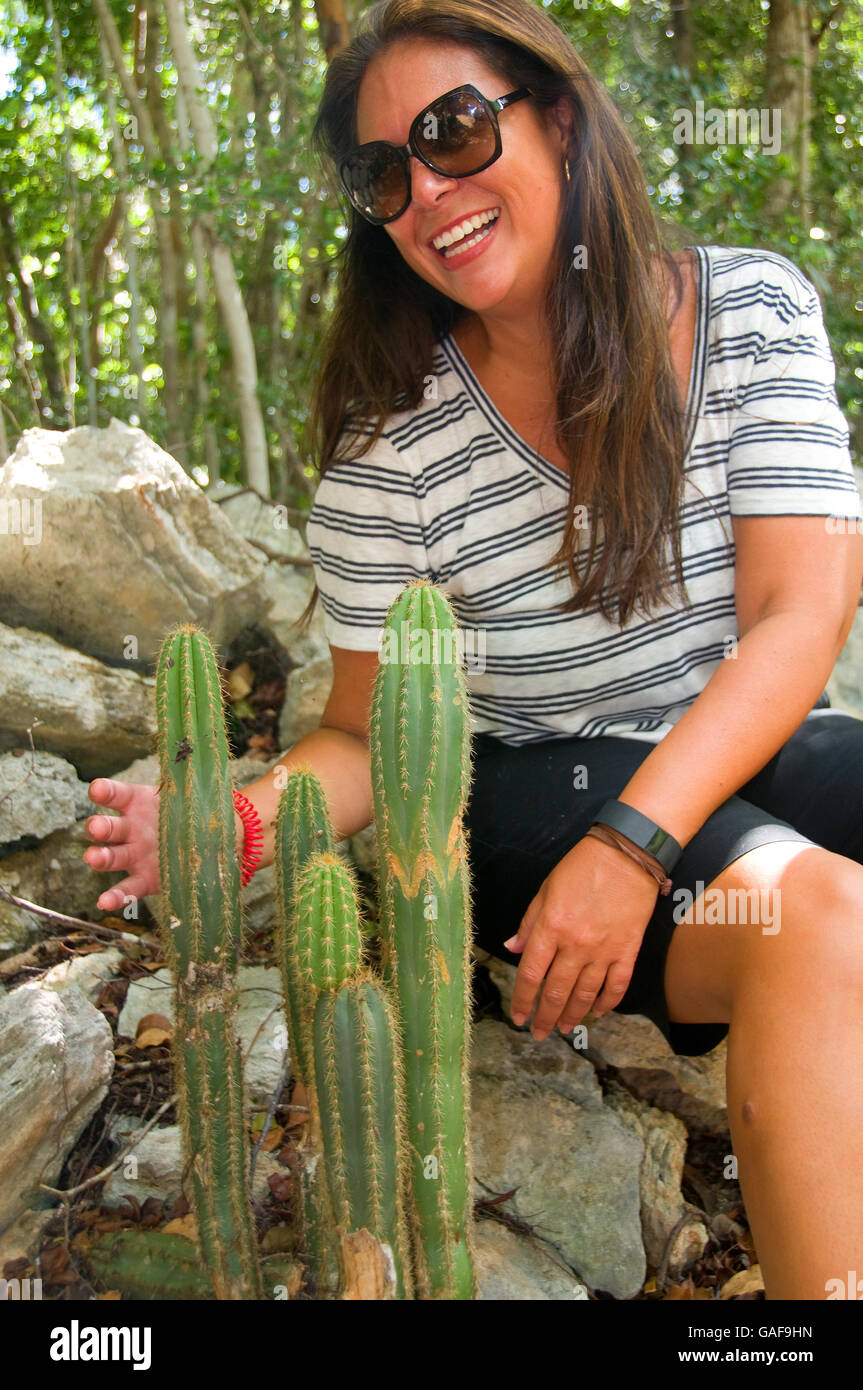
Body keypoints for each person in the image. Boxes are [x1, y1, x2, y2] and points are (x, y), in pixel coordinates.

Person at [85, 0, 863, 1299]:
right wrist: (242, 822)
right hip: (526, 800)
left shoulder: (752, 310)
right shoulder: (394, 447)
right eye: (387, 174)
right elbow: (366, 739)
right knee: (814, 918)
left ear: (557, 114)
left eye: (454, 129)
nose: (428, 189)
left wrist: (641, 841)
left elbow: (801, 616)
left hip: (727, 758)